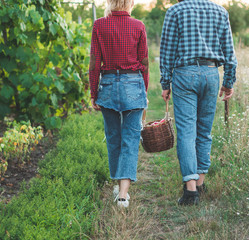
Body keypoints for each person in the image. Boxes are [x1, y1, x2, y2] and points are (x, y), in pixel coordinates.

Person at [160, 0, 237, 205]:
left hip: (184, 73)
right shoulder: (220, 11)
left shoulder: (175, 11)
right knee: (204, 131)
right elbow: (229, 52)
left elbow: (167, 50)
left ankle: (191, 190)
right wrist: (228, 82)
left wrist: (165, 82)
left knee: (186, 132)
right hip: (211, 74)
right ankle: (200, 182)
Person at [89, 0, 149, 208]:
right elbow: (144, 62)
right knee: (131, 138)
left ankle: (117, 186)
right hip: (133, 83)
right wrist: (144, 90)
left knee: (113, 137)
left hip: (107, 84)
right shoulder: (138, 26)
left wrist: (93, 92)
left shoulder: (99, 25)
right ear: (130, 2)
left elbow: (95, 62)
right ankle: (123, 194)